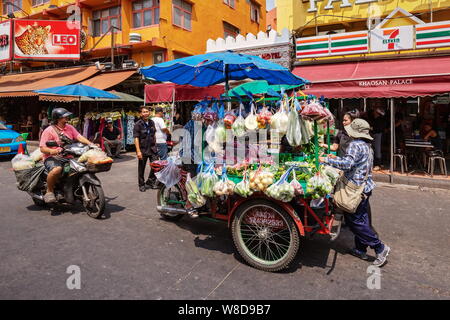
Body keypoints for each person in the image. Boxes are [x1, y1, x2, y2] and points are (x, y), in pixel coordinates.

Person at [319, 119, 390, 267]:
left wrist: (326, 159)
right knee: (361, 219)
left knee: (355, 222)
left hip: (354, 189)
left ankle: (380, 248)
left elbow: (347, 164)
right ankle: (360, 249)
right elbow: (354, 163)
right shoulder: (366, 146)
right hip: (365, 187)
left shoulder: (354, 145)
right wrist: (336, 158)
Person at [39, 108, 95, 203]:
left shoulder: (70, 127)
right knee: (57, 170)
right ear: (58, 118)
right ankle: (49, 191)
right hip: (52, 157)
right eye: (65, 116)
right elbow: (42, 148)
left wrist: (91, 144)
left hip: (68, 156)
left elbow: (79, 137)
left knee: (80, 169)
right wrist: (52, 151)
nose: (67, 117)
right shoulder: (48, 130)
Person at [134, 106, 158, 192]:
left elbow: (154, 134)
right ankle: (141, 184)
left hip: (152, 148)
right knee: (141, 168)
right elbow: (136, 138)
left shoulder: (152, 122)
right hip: (143, 149)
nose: (146, 113)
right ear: (141, 114)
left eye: (147, 111)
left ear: (149, 113)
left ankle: (150, 181)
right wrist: (138, 151)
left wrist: (155, 145)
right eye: (144, 112)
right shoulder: (138, 124)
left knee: (156, 166)